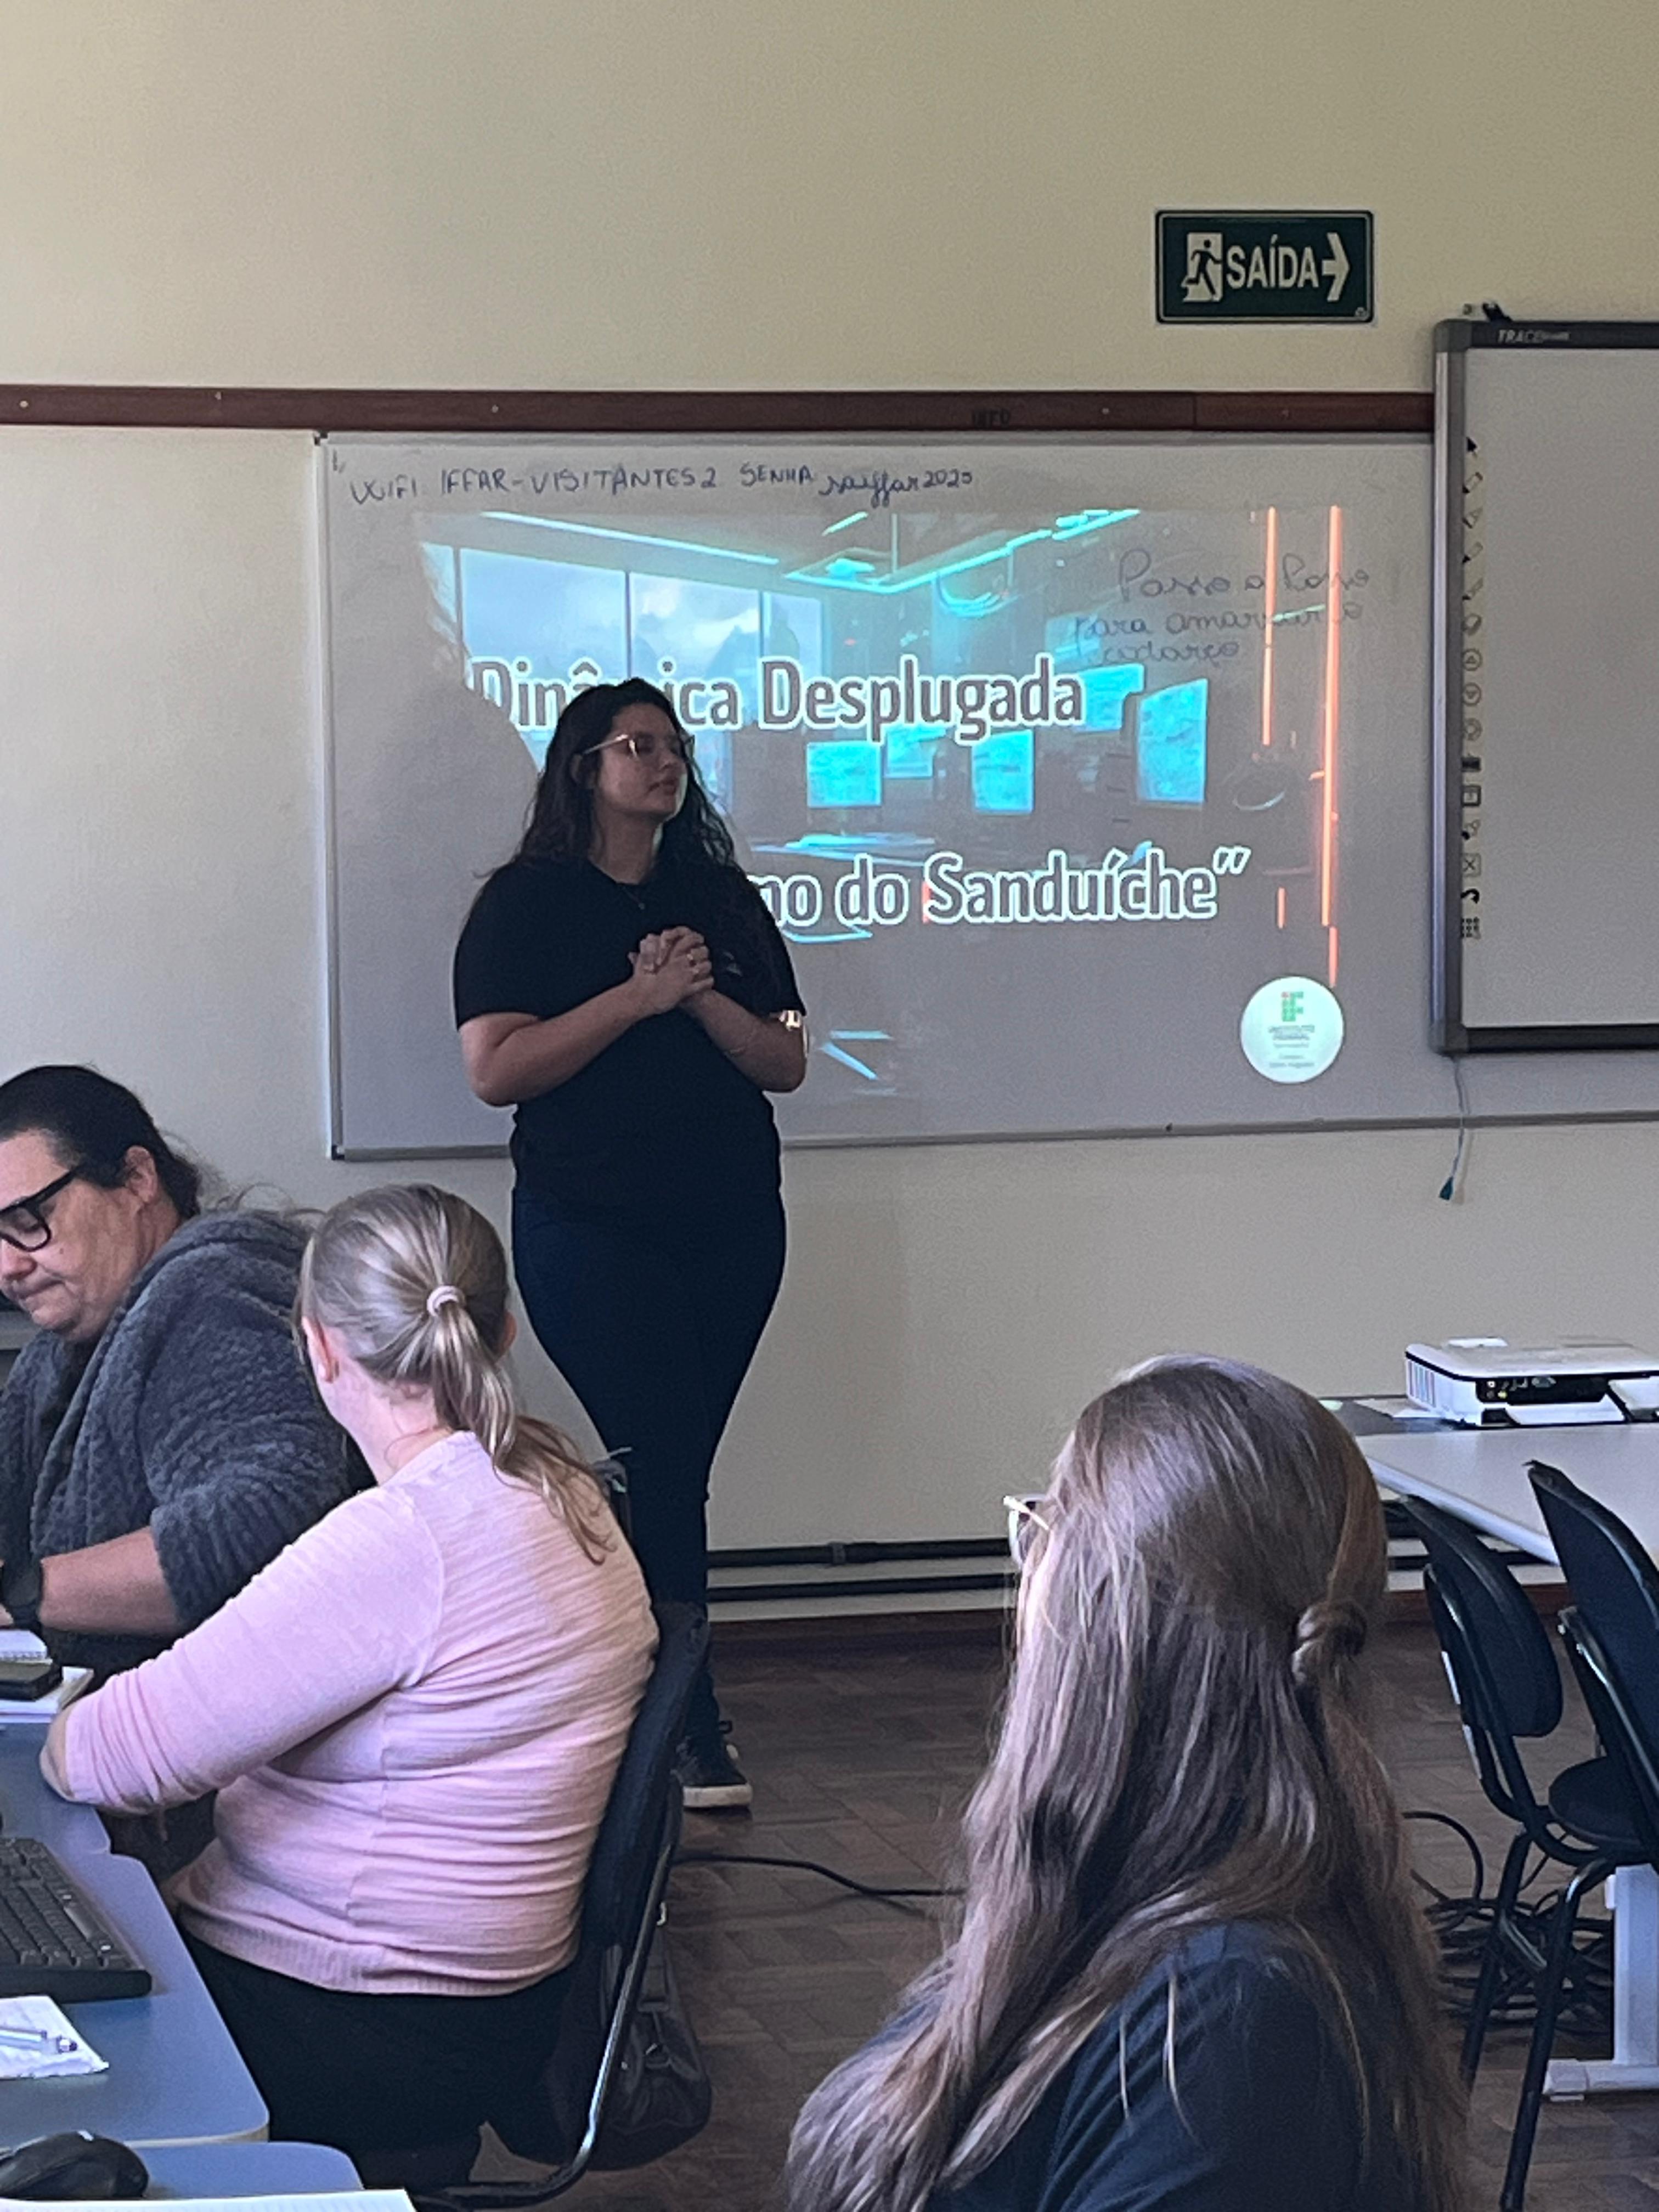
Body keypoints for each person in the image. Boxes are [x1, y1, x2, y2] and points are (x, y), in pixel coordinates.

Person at [42, 1183, 656, 2183]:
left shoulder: (406, 1540)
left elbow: (112, 1757)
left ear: (318, 1347)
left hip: (353, 2016)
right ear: (500, 1331)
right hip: (486, 2011)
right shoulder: (564, 1488)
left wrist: (63, 1719)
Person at [786, 1357, 1470, 2212]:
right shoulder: (1102, 1908)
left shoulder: (1227, 2022)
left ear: (1108, 1619)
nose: (1028, 1571)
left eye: (1044, 1528)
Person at [453, 676, 806, 1811]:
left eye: (674, 748)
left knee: (672, 1469)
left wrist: (696, 1000)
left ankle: (622, 1694)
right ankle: (683, 1725)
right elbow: (495, 1069)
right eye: (637, 746)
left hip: (732, 1226)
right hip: (589, 1227)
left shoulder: (721, 898)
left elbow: (785, 1060)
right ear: (584, 768)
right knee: (662, 1460)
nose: (663, 765)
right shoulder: (526, 904)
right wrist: (637, 999)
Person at [0, 1065, 363, 1677]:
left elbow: (269, 1522)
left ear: (137, 1179)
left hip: (240, 1723)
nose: (8, 1268)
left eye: (30, 1219)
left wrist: (22, 1592)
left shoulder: (215, 1298)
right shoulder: (57, 1352)